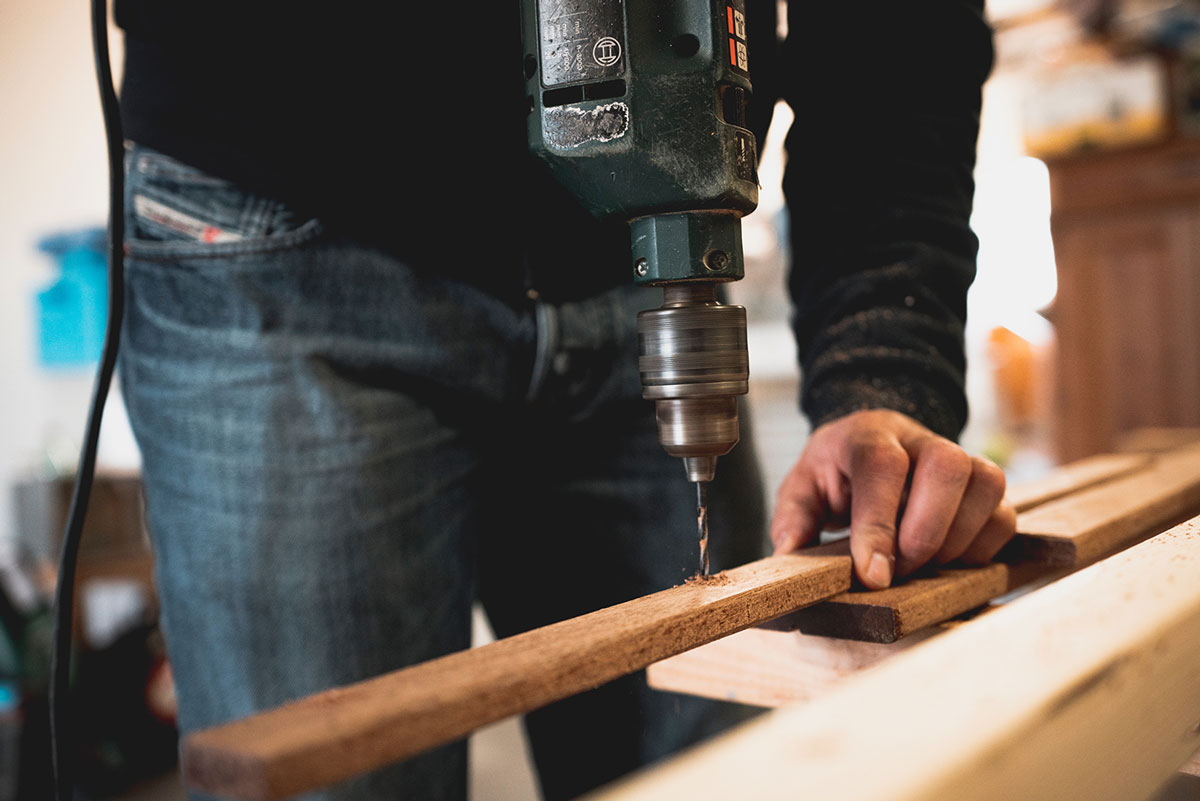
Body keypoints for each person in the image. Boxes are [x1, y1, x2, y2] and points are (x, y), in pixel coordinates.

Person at [113, 1, 1013, 799]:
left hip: (627, 254)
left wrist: (879, 365)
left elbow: (901, 28)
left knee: (717, 766)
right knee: (329, 769)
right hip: (278, 216)